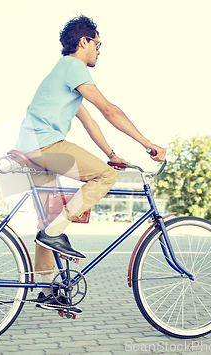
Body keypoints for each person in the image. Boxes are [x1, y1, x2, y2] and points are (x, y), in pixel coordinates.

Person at [13, 15, 166, 312]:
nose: (100, 50)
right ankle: (56, 231)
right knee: (105, 178)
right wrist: (149, 144)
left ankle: (46, 291)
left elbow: (90, 121)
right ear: (83, 42)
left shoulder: (63, 75)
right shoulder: (73, 67)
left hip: (31, 148)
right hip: (45, 145)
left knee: (48, 223)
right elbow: (108, 110)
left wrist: (111, 152)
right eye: (98, 43)